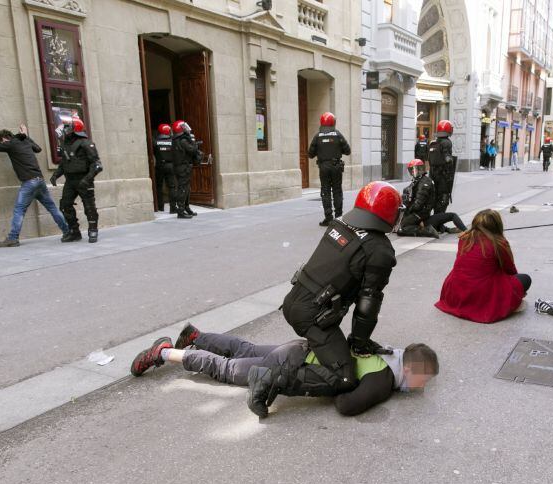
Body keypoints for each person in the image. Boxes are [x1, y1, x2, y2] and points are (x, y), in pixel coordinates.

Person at [273, 181, 401, 414]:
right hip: (312, 317)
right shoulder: (379, 250)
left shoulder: (340, 222)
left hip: (294, 301)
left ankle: (200, 340)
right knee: (345, 378)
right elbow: (368, 305)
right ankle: (271, 380)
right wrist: (360, 343)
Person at [129, 324, 439, 418]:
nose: (421, 386)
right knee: (227, 369)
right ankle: (165, 352)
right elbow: (346, 406)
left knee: (245, 349)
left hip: (299, 348)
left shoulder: (384, 349)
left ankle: (197, 336)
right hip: (293, 368)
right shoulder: (383, 380)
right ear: (410, 369)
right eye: (422, 379)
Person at [0, 121, 70, 247]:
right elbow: (38, 149)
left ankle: (13, 238)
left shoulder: (9, 144)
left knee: (19, 210)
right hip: (40, 180)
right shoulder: (24, 141)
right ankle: (67, 231)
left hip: (29, 182)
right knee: (52, 208)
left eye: (2, 142)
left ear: (4, 139)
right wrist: (26, 136)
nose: (2, 145)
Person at [435, 209, 530, 324]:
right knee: (525, 279)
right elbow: (510, 270)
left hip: (454, 293)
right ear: (497, 226)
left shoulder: (464, 238)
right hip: (480, 294)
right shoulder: (499, 243)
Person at [49, 117, 103, 243]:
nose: (65, 129)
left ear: (75, 129)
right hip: (70, 181)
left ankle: (93, 230)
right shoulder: (66, 144)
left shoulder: (86, 143)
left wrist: (87, 179)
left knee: (89, 207)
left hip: (84, 179)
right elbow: (64, 163)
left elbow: (97, 165)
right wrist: (56, 175)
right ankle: (74, 232)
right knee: (65, 205)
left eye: (68, 127)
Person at [397, 159, 467, 238]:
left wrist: (407, 209)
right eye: (412, 170)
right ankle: (444, 229)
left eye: (416, 169)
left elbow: (418, 204)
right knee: (403, 225)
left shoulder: (424, 183)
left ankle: (426, 231)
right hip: (422, 215)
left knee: (401, 229)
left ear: (422, 169)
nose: (414, 172)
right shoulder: (419, 181)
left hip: (420, 214)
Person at [308, 112, 351, 226]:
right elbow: (348, 150)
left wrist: (320, 151)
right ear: (333, 122)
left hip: (323, 167)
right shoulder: (338, 135)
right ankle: (339, 218)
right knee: (337, 191)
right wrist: (338, 149)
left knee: (325, 192)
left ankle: (328, 218)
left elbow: (310, 154)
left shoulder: (317, 136)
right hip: (336, 166)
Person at [171, 120, 201, 219]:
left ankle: (186, 208)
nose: (186, 128)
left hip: (181, 167)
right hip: (183, 168)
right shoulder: (183, 140)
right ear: (181, 129)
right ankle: (180, 211)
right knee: (183, 189)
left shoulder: (176, 139)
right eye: (184, 127)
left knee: (187, 189)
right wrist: (196, 144)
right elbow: (192, 150)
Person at [428, 120, 455, 214]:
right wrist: (450, 160)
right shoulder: (446, 142)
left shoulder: (433, 142)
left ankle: (435, 221)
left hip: (432, 174)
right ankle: (438, 223)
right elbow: (447, 158)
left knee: (434, 198)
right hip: (443, 176)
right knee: (443, 199)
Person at [153, 123, 177, 213]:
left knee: (158, 186)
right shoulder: (173, 141)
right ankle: (173, 208)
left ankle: (160, 207)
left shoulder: (155, 141)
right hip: (170, 165)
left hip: (159, 166)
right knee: (172, 187)